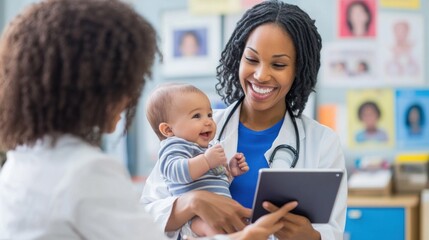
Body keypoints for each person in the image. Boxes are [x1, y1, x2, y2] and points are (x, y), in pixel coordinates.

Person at [0, 0, 299, 240]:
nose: (130, 97)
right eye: (125, 84)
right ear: (91, 88)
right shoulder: (85, 170)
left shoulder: (20, 161)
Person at [142, 1, 347, 239]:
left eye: (278, 64)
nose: (261, 75)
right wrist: (192, 202)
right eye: (251, 59)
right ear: (238, 58)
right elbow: (144, 215)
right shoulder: (195, 128)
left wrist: (311, 237)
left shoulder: (322, 142)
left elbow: (333, 230)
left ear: (298, 71)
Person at [145, 83, 249, 237]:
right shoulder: (174, 146)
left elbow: (213, 181)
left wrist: (229, 172)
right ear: (168, 130)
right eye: (196, 116)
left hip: (219, 215)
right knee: (222, 233)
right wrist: (206, 160)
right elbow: (176, 173)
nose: (208, 121)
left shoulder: (204, 148)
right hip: (198, 219)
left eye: (209, 115)